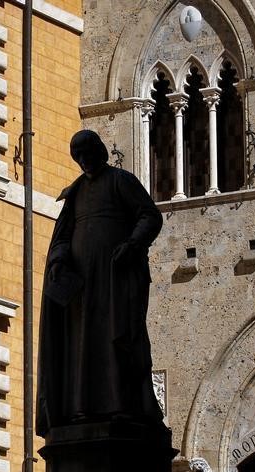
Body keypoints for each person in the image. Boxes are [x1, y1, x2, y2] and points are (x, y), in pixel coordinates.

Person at [35, 130, 164, 437]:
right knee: (82, 346)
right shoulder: (76, 192)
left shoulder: (121, 181)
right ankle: (82, 408)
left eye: (87, 153)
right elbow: (63, 236)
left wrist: (132, 244)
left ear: (100, 151)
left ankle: (123, 406)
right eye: (77, 156)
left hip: (115, 281)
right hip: (83, 288)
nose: (83, 160)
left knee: (118, 339)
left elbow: (150, 216)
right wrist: (58, 261)